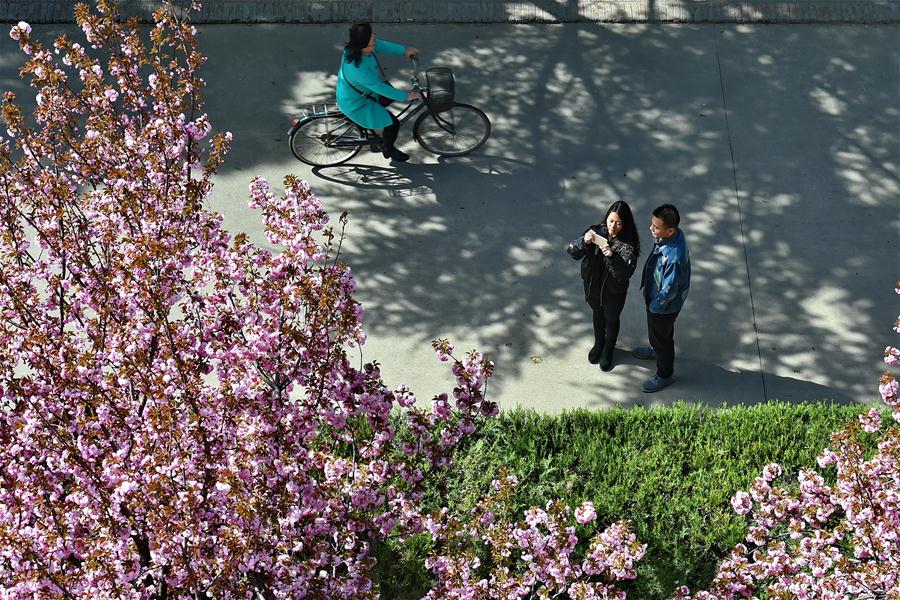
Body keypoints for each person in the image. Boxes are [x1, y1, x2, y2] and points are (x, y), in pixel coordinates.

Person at [567, 201, 640, 372]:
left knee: (611, 318)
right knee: (597, 314)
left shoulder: (628, 245)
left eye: (619, 223)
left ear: (625, 224)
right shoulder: (596, 231)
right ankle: (599, 343)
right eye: (611, 221)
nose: (613, 226)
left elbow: (623, 274)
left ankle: (609, 349)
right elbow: (572, 252)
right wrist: (583, 242)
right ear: (606, 218)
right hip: (593, 286)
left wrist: (612, 256)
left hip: (613, 292)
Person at [336, 23, 423, 163]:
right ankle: (387, 148)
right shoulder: (358, 69)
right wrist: (406, 96)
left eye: (374, 38)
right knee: (393, 123)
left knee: (390, 96)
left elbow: (380, 45)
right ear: (362, 46)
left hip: (358, 92)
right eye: (371, 43)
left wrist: (404, 50)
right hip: (358, 103)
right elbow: (379, 88)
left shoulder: (354, 49)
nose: (375, 44)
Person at [633, 203, 691, 393]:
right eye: (652, 224)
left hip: (664, 307)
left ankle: (664, 374)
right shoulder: (673, 236)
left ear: (670, 230)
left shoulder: (673, 257)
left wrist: (654, 307)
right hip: (658, 301)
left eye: (656, 227)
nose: (651, 229)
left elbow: (669, 291)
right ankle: (655, 349)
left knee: (662, 339)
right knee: (659, 334)